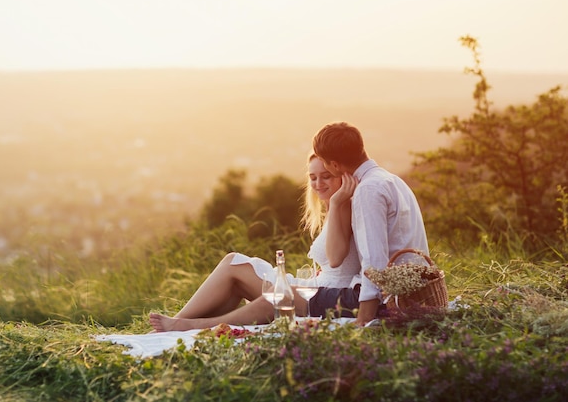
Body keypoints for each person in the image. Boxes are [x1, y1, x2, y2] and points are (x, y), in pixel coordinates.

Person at [148, 154, 360, 332]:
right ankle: (180, 322)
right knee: (234, 263)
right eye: (313, 178)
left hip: (325, 294)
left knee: (237, 271)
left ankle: (184, 324)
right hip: (315, 286)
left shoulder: (343, 205)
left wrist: (336, 201)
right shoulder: (334, 206)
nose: (318, 183)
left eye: (326, 177)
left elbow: (336, 259)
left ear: (341, 176)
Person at [312, 122, 429, 326]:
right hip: (414, 290)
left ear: (335, 165)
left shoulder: (368, 190)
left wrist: (363, 320)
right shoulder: (391, 179)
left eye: (324, 162)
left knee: (285, 297)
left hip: (390, 300)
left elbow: (374, 261)